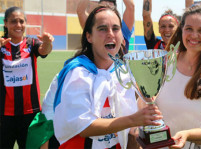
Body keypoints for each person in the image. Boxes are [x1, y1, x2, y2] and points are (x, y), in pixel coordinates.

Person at [53, 5, 162, 148]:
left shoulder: (124, 72)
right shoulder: (78, 72)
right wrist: (133, 120)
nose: (110, 33)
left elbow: (130, 129)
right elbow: (84, 125)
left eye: (116, 28)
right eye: (102, 29)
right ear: (89, 36)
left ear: (122, 36)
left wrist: (146, 105)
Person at [139, 4, 201, 148]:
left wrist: (187, 135)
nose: (194, 35)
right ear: (182, 30)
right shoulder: (165, 63)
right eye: (189, 29)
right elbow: (149, 105)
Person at [0, 6, 54, 149]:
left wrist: (48, 43)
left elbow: (44, 50)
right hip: (4, 114)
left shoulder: (31, 43)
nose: (18, 25)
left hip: (30, 113)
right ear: (5, 23)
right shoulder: (1, 44)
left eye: (21, 21)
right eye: (13, 21)